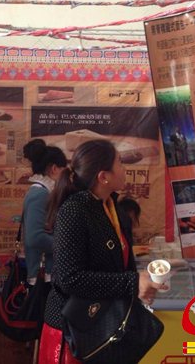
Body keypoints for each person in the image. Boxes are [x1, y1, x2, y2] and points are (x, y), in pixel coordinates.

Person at [38, 139, 165, 363]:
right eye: (119, 163)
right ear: (103, 177)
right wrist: (132, 283)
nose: (125, 169)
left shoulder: (111, 206)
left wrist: (138, 287)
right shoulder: (74, 211)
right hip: (74, 332)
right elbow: (70, 279)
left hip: (104, 324)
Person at [22, 139, 67, 283]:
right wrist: (67, 246)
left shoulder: (44, 192)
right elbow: (35, 237)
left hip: (46, 273)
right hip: (42, 276)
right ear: (54, 169)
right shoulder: (40, 193)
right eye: (64, 171)